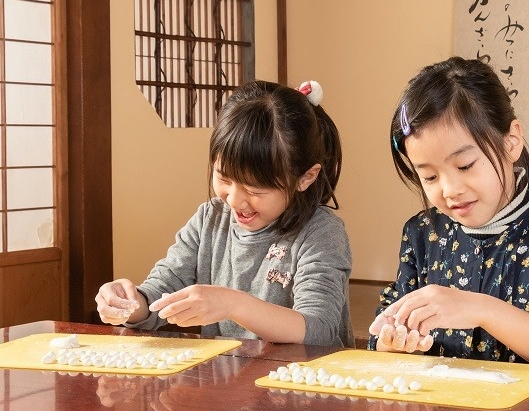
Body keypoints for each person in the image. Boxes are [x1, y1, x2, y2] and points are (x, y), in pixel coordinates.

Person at [369, 57, 529, 370]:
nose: (449, 190)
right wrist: (393, 342)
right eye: (430, 177)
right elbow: (382, 345)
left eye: (465, 166)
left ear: (511, 142)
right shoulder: (423, 233)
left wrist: (482, 310)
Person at [95, 80, 353, 347]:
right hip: (230, 382)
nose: (235, 199)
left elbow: (318, 330)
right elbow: (160, 294)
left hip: (305, 384)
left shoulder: (322, 232)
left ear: (306, 177)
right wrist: (131, 303)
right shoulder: (210, 219)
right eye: (224, 178)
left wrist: (231, 303)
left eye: (255, 188)